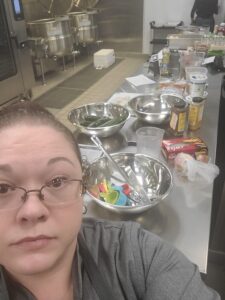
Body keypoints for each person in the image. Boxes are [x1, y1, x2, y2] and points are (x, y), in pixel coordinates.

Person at [0, 101, 220, 300]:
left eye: (57, 181)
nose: (32, 210)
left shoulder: (134, 255)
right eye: (2, 188)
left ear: (82, 188)